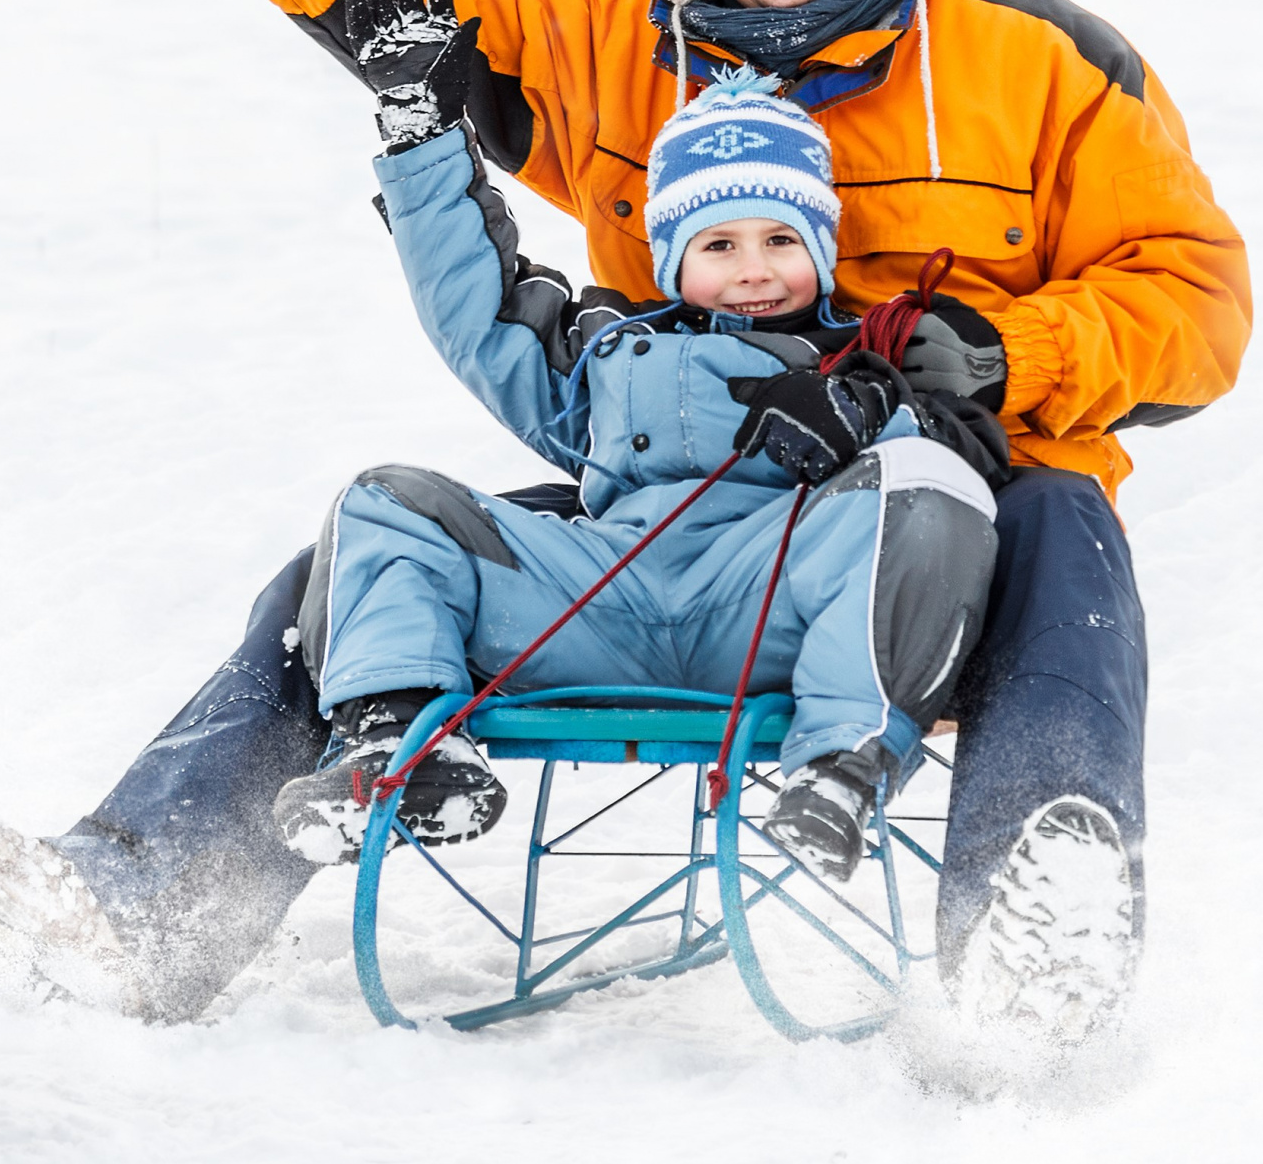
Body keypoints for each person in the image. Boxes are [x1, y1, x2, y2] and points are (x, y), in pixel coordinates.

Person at [0, 0, 1252, 1041]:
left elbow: (1198, 300)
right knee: (355, 568)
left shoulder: (1040, 55)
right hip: (686, 501)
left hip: (946, 522)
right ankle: (142, 907)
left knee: (1070, 521)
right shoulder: (615, 40)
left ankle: (1032, 931)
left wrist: (1012, 355)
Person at [270, 47, 1006, 883]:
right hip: (597, 605)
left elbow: (955, 473)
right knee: (386, 502)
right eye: (719, 244)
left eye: (780, 239)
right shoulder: (611, 354)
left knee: (926, 481)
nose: (754, 268)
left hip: (768, 613)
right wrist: (423, 142)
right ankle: (399, 754)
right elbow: (483, 315)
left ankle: (841, 771)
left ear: (822, 248)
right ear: (671, 261)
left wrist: (871, 413)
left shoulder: (861, 361)